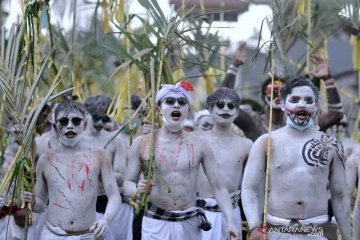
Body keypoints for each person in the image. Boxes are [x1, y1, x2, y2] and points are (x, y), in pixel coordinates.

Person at [124, 82, 240, 240]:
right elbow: (127, 184)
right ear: (158, 110)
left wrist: (231, 221)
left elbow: (219, 188)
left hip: (190, 222)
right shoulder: (142, 143)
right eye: (170, 101)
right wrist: (138, 190)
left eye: (182, 102)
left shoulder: (200, 144)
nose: (176, 105)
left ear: (188, 110)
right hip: (155, 221)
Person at [241, 76, 351, 240]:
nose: (302, 104)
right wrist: (255, 226)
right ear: (283, 104)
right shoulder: (266, 142)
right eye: (295, 99)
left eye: (308, 100)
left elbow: (340, 194)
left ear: (315, 106)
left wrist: (348, 237)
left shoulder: (331, 145)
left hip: (318, 230)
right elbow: (249, 188)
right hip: (277, 229)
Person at [30, 101, 121, 239]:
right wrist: (31, 201)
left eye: (76, 121)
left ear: (84, 125)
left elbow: (114, 195)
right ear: (55, 126)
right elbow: (41, 203)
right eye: (64, 121)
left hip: (88, 234)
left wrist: (106, 220)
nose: (70, 125)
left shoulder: (99, 155)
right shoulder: (45, 160)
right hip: (53, 235)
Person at [222, 45, 344, 136]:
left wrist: (327, 79)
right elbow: (223, 102)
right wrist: (234, 67)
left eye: (283, 93)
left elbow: (336, 115)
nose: (278, 96)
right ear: (264, 97)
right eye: (273, 92)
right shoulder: (253, 123)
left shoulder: (301, 124)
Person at [196, 87, 253, 240]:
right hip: (200, 212)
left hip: (232, 212)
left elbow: (253, 185)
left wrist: (255, 222)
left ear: (237, 113)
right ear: (210, 110)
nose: (225, 109)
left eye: (231, 106)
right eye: (220, 105)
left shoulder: (247, 145)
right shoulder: (196, 139)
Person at [84, 95, 132, 240]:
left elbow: (120, 177)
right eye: (96, 118)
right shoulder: (76, 139)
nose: (100, 122)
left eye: (105, 119)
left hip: (108, 204)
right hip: (82, 205)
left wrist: (100, 172)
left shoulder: (115, 139)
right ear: (86, 115)